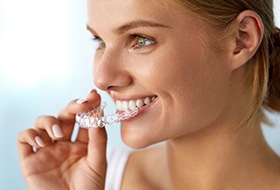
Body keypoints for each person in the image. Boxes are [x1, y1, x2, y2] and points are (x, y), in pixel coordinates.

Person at [17, 0, 280, 189]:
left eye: (140, 40)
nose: (102, 78)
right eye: (100, 42)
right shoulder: (93, 178)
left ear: (241, 39)